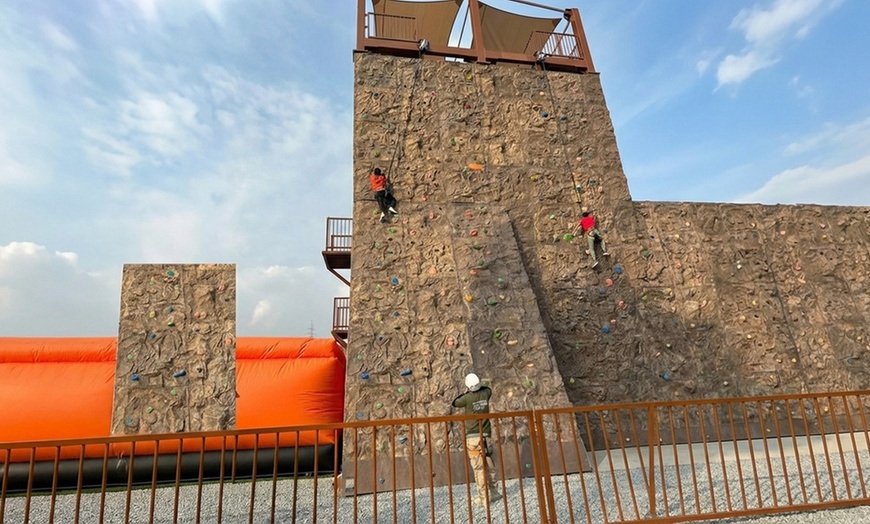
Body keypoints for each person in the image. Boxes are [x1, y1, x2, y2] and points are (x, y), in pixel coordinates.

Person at [451, 373, 502, 506]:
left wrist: (466, 392)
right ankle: (494, 491)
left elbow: (455, 403)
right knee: (489, 462)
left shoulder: (466, 398)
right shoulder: (486, 393)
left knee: (478, 467)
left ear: (468, 386)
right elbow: (488, 389)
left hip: (473, 437)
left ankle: (483, 497)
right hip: (485, 435)